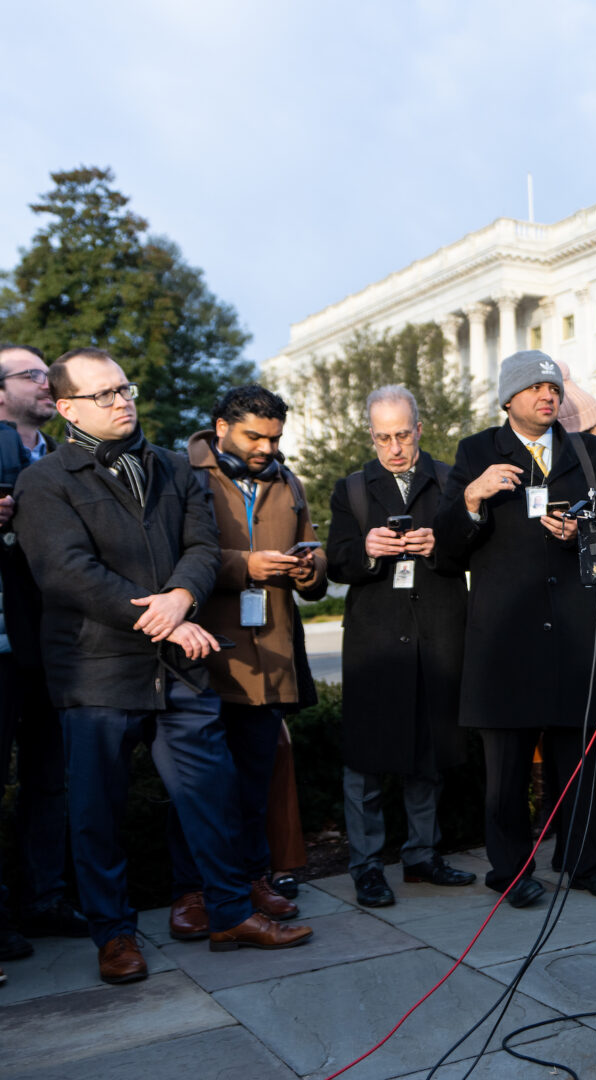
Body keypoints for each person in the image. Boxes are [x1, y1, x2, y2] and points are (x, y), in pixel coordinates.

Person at [13, 348, 312, 984]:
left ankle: (230, 913)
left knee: (210, 796)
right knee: (97, 811)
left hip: (179, 667)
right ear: (66, 409)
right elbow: (67, 574)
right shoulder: (45, 481)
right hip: (95, 671)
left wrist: (181, 598)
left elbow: (203, 548)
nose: (123, 401)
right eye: (104, 395)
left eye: (126, 388)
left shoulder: (177, 470)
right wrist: (166, 617)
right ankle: (114, 935)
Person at [434, 351, 596, 907]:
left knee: (581, 761)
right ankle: (511, 872)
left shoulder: (594, 455)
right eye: (535, 386)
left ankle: (588, 863)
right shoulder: (475, 453)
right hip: (505, 642)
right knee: (507, 774)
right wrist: (472, 497)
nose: (548, 394)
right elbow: (446, 552)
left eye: (553, 386)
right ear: (508, 398)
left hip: (574, 634)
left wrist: (584, 530)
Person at [165, 386, 326, 940]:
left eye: (274, 437)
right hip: (205, 656)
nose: (265, 447)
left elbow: (312, 548)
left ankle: (253, 878)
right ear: (220, 428)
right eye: (255, 436)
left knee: (256, 780)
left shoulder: (287, 480)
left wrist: (311, 568)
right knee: (200, 788)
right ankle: (192, 891)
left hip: (272, 655)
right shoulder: (182, 474)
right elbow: (173, 556)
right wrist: (246, 566)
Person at [328, 385, 476, 908]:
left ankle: (422, 856)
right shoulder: (352, 488)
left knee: (427, 752)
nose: (393, 447)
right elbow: (336, 560)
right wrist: (366, 550)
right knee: (364, 760)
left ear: (419, 428)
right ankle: (367, 865)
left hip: (437, 630)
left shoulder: (449, 480)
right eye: (382, 437)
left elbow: (476, 546)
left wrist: (441, 545)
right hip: (375, 639)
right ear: (371, 435)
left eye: (402, 435)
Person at [0, 343, 86, 980]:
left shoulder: (61, 462)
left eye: (45, 373)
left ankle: (45, 899)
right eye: (31, 375)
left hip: (50, 650)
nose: (45, 383)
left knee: (50, 781)